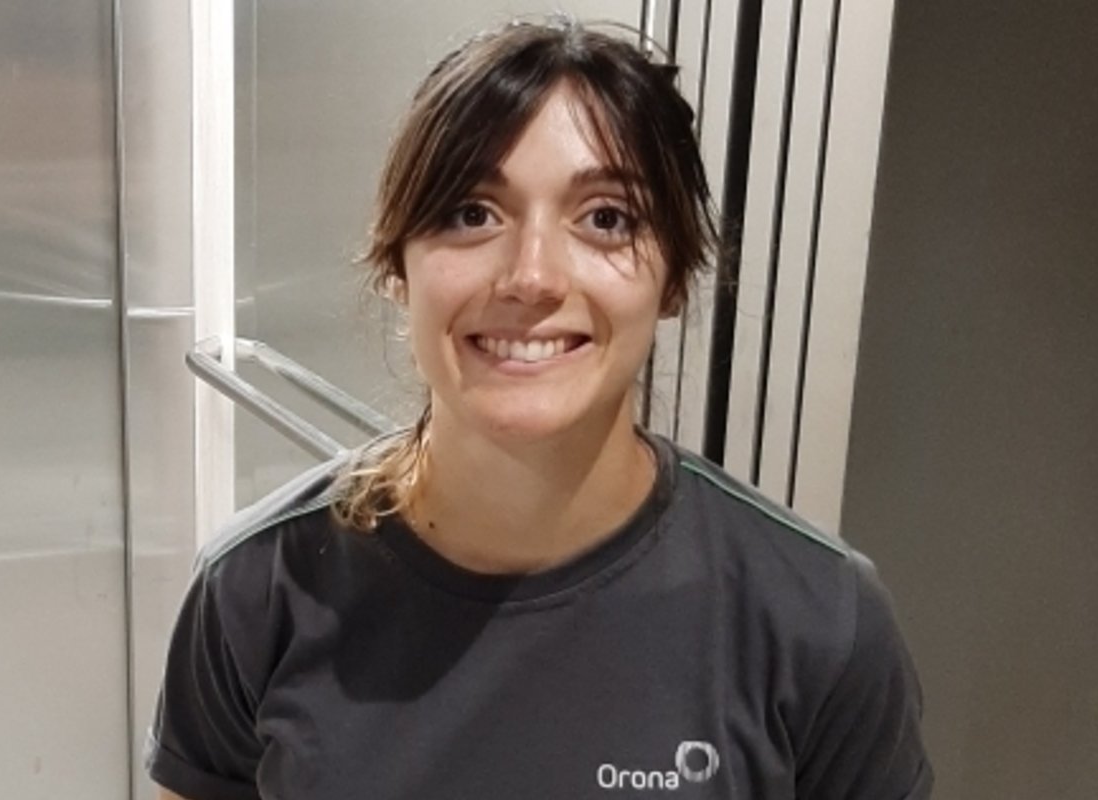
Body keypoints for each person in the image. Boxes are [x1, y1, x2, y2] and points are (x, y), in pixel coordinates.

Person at [147, 17, 931, 800]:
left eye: (606, 218)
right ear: (397, 266)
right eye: (471, 212)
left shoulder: (816, 621)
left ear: (673, 280)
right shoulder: (256, 591)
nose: (532, 277)